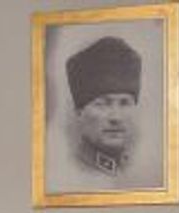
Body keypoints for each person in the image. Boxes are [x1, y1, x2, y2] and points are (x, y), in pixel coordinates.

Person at [49, 35, 158, 192]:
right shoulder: (61, 178)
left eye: (124, 103)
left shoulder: (142, 173)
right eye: (102, 104)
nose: (116, 117)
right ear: (79, 111)